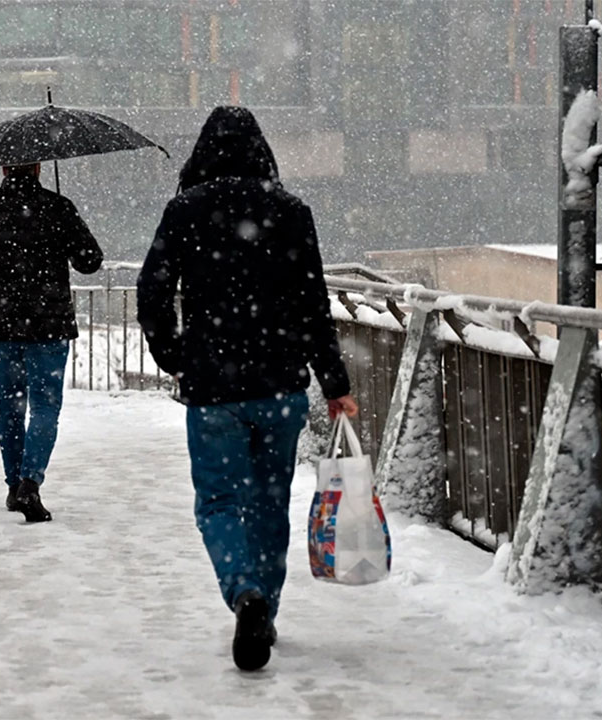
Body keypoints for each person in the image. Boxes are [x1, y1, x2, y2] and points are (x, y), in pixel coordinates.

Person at [136, 106, 358, 671]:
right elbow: (313, 304)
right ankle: (267, 604)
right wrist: (334, 382)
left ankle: (243, 592)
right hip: (279, 384)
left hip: (212, 387)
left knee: (218, 501)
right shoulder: (290, 211)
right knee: (268, 502)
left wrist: (176, 357)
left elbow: (152, 290)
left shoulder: (185, 210)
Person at [0, 162, 104, 523]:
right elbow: (90, 261)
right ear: (39, 168)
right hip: (49, 325)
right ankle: (30, 483)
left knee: (11, 407)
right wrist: (63, 230)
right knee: (45, 408)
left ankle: (12, 485)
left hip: (0, 325)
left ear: (4, 167)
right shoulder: (58, 208)